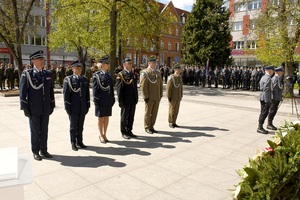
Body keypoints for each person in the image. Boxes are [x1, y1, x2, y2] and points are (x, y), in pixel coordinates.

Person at [19, 50, 55, 161]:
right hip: (33, 108)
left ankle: (43, 150)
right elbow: (23, 92)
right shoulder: (28, 74)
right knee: (35, 131)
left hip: (45, 107)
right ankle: (35, 151)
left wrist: (52, 104)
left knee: (44, 130)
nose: (42, 61)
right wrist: (24, 107)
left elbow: (50, 91)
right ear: (33, 61)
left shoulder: (47, 74)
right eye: (39, 59)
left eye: (42, 59)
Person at [63, 60, 90, 151]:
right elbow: (66, 95)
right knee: (73, 126)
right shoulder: (68, 80)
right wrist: (67, 108)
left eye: (80, 68)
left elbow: (87, 94)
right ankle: (73, 142)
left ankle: (80, 141)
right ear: (73, 68)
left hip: (82, 107)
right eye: (77, 68)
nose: (79, 69)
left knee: (80, 126)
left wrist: (87, 105)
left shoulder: (84, 79)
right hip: (73, 108)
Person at [92, 55, 115, 143]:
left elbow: (111, 88)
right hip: (100, 100)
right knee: (101, 118)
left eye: (108, 64)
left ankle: (105, 134)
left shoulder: (109, 75)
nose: (108, 65)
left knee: (106, 117)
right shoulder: (96, 76)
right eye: (106, 64)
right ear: (101, 65)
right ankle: (101, 134)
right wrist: (96, 100)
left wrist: (112, 98)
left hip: (108, 99)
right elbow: (95, 89)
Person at [116, 57, 138, 139]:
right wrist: (120, 101)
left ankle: (129, 130)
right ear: (124, 64)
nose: (131, 65)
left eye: (131, 63)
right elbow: (119, 89)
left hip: (132, 99)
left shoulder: (133, 74)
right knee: (124, 117)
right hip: (125, 100)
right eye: (129, 63)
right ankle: (123, 131)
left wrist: (136, 98)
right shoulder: (121, 74)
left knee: (131, 116)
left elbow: (135, 87)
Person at [140, 55, 163, 134]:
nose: (154, 64)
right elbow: (143, 85)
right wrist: (145, 96)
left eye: (155, 62)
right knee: (148, 112)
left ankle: (151, 126)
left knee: (154, 112)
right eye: (153, 62)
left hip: (157, 96)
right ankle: (147, 127)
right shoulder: (145, 72)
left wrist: (160, 94)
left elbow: (160, 84)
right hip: (149, 96)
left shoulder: (158, 72)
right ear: (149, 63)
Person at [257, 66, 274, 134]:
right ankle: (260, 127)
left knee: (262, 112)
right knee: (264, 113)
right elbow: (267, 89)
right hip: (265, 98)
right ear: (269, 70)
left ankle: (260, 126)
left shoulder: (263, 77)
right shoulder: (268, 78)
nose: (273, 72)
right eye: (272, 71)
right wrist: (268, 100)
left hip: (262, 97)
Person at [166, 64, 183, 128]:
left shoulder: (179, 77)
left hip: (178, 96)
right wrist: (169, 96)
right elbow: (168, 88)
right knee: (171, 110)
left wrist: (181, 95)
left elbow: (181, 87)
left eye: (179, 69)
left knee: (176, 110)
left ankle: (174, 122)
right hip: (172, 96)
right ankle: (170, 122)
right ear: (175, 70)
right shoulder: (171, 77)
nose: (179, 71)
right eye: (177, 69)